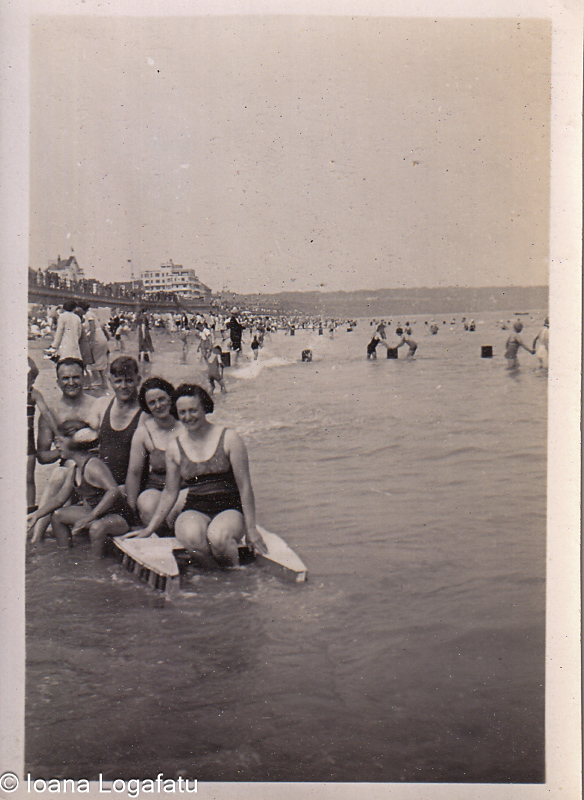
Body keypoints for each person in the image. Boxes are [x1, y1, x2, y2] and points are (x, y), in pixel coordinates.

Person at [123, 384, 267, 568]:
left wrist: (251, 529)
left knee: (219, 538)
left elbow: (245, 487)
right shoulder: (175, 447)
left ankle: (235, 574)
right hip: (194, 508)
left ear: (205, 408)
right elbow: (169, 492)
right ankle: (218, 580)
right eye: (182, 412)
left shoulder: (229, 438)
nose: (188, 417)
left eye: (193, 410)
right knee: (192, 539)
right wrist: (149, 528)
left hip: (229, 509)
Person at [27, 420, 133, 555]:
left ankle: (95, 569)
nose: (57, 445)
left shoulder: (93, 465)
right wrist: (36, 515)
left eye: (59, 441)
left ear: (75, 441)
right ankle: (66, 556)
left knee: (96, 528)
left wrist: (89, 518)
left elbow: (113, 491)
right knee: (58, 516)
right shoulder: (75, 469)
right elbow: (59, 499)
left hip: (119, 517)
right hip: (97, 514)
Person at [31, 358, 99, 542]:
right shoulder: (52, 412)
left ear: (84, 378)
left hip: (95, 469)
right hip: (68, 471)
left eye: (76, 377)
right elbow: (43, 456)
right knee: (60, 474)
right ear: (57, 382)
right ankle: (37, 537)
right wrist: (66, 450)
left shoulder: (97, 405)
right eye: (65, 378)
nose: (71, 382)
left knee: (63, 474)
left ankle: (39, 536)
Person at [125, 377, 184, 531]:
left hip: (186, 487)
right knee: (147, 505)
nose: (158, 405)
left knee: (175, 511)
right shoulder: (143, 432)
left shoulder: (186, 425)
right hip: (157, 487)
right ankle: (161, 541)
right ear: (147, 406)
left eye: (162, 399)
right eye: (152, 402)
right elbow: (134, 472)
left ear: (170, 398)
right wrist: (131, 510)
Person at [93, 356, 143, 488]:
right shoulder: (101, 405)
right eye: (118, 381)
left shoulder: (144, 413)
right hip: (104, 481)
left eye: (129, 381)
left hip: (131, 482)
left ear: (138, 380)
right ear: (110, 381)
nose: (123, 386)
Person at [78, 301, 109, 391]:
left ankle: (98, 382)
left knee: (95, 360)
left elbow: (92, 328)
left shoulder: (88, 314)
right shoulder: (91, 313)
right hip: (100, 337)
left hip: (96, 338)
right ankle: (103, 382)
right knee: (100, 361)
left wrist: (90, 340)